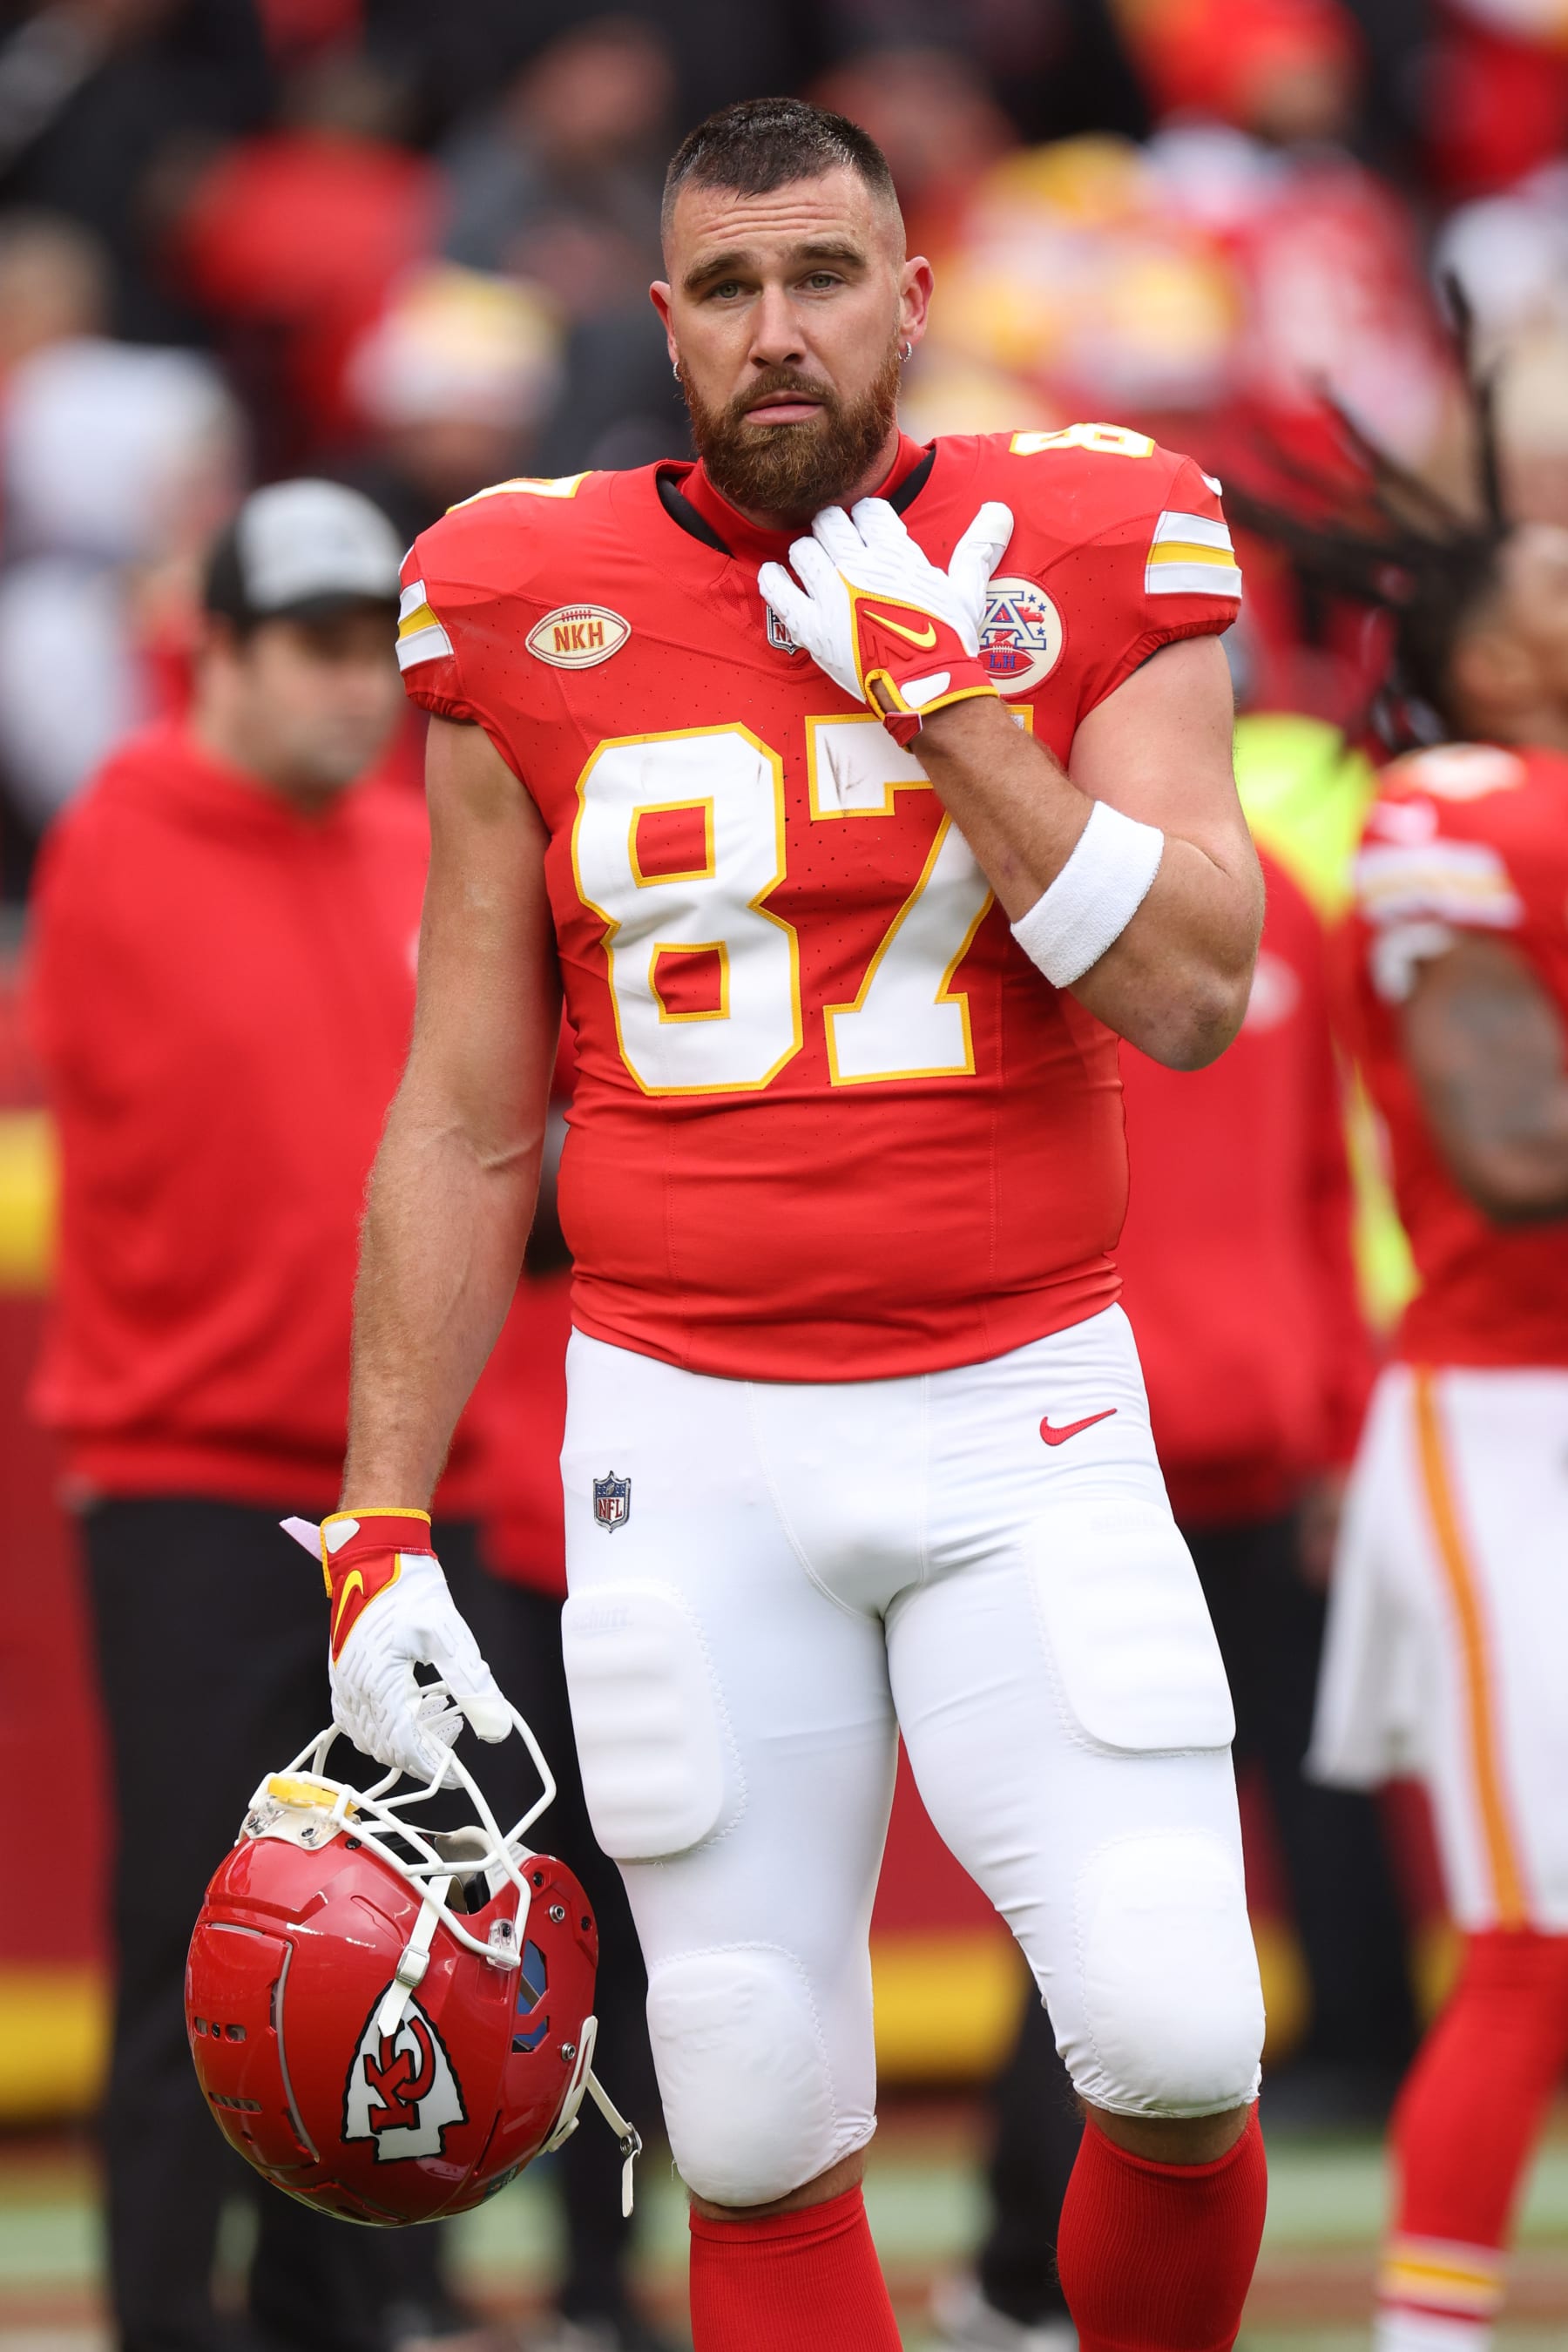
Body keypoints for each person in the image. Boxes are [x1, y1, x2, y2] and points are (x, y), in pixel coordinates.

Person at [321, 97, 1271, 2352]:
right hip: (690, 1428)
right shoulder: (509, 589)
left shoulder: (1095, 533)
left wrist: (956, 713)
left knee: (1176, 2035)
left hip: (1020, 1390)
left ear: (915, 300)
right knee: (748, 2096)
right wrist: (378, 1517)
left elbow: (1203, 985)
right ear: (663, 322)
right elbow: (467, 1115)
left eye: (823, 277)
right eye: (728, 287)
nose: (778, 331)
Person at [27, 481, 484, 2352]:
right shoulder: (120, 838)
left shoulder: (401, 861)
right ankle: (161, 2320)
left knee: (382, 1960)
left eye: (366, 649)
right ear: (208, 652)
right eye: (300, 647)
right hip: (189, 1486)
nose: (346, 690)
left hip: (378, 1503)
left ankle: (336, 2319)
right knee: (189, 1947)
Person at [936, 843, 1414, 2352]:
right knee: (1127, 1879)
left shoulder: (1029, 870)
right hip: (1135, 1439)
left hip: (1139, 1439)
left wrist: (1339, 1420)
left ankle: (1030, 2270)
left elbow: (1326, 1186)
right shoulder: (1187, 885)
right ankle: (1038, 2266)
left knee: (1100, 1878)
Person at [1235, 393, 1568, 2352]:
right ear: (1494, 650)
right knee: (1533, 1946)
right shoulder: (1459, 816)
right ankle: (1430, 2339)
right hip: (1509, 1415)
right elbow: (1519, 1158)